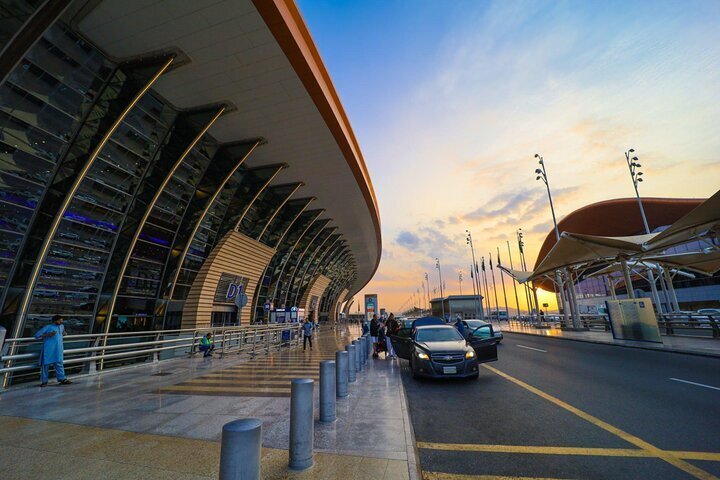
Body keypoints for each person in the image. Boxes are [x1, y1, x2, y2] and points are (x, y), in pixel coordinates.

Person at [34, 315, 72, 387]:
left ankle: (62, 379)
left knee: (59, 363)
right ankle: (44, 381)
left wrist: (64, 333)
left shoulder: (61, 326)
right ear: (55, 320)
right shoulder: (48, 327)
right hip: (48, 349)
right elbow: (37, 335)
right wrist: (49, 334)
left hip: (58, 349)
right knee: (45, 365)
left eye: (62, 320)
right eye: (60, 320)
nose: (61, 321)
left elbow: (63, 332)